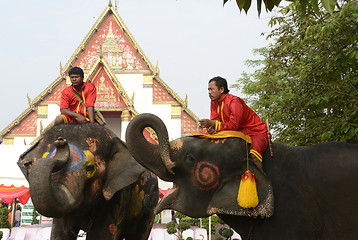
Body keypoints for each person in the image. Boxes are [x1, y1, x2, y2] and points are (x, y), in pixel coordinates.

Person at [199, 76, 268, 170]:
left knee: (254, 156)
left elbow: (233, 125)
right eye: (208, 89)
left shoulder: (234, 102)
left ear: (222, 89)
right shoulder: (214, 102)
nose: (209, 92)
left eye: (211, 89)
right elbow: (215, 121)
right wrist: (210, 128)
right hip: (236, 133)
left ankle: (262, 184)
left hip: (256, 132)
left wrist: (213, 123)